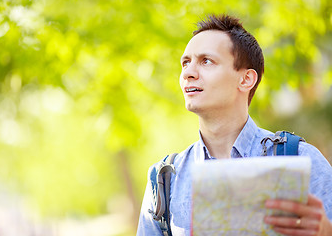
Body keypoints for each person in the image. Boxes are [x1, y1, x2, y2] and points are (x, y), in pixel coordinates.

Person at [136, 14, 332, 236]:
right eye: (185, 62)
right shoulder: (163, 180)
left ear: (246, 79)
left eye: (206, 61)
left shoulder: (301, 160)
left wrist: (325, 231)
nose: (188, 73)